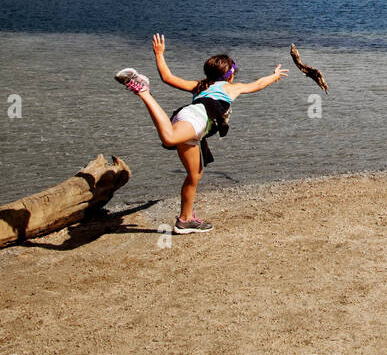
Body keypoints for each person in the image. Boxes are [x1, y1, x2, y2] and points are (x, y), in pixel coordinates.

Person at [115, 34, 286, 233]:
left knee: (194, 174)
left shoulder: (200, 85)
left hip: (192, 126)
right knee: (169, 137)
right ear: (230, 75)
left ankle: (185, 220)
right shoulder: (231, 88)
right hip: (195, 118)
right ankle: (143, 91)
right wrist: (274, 76)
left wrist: (159, 54)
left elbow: (167, 78)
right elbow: (257, 84)